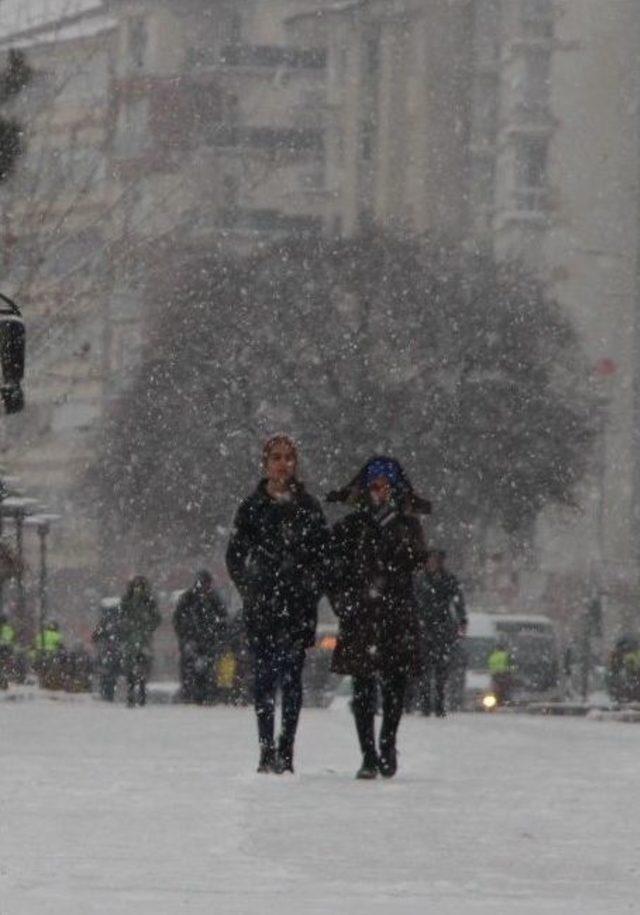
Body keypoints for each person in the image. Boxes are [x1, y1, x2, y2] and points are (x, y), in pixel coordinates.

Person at [226, 434, 329, 774]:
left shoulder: (308, 508)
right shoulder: (252, 508)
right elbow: (236, 556)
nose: (283, 464)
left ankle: (287, 748)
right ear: (265, 463)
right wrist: (251, 588)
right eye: (276, 457)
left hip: (297, 608)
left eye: (288, 457)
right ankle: (265, 748)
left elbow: (322, 558)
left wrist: (309, 588)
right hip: (263, 608)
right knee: (264, 680)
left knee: (292, 678)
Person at [327, 456, 429, 779]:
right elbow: (334, 570)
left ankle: (387, 741)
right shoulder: (352, 527)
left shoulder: (408, 525)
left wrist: (395, 531)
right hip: (362, 617)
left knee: (396, 686)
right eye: (374, 486)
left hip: (396, 615)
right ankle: (368, 754)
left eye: (386, 486)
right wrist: (344, 603)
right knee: (363, 688)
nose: (380, 492)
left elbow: (414, 561)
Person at [413, 549, 467, 717]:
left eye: (435, 560)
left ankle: (439, 703)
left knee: (441, 668)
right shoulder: (419, 580)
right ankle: (425, 703)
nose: (432, 564)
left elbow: (458, 601)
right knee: (424, 667)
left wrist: (462, 619)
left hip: (442, 627)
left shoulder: (448, 580)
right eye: (430, 560)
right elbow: (412, 601)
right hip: (424, 627)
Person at [173, 570, 227, 704]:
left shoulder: (213, 599)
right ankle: (192, 693)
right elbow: (178, 620)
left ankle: (206, 694)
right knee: (191, 668)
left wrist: (217, 635)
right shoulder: (188, 598)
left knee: (208, 669)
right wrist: (185, 636)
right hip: (194, 639)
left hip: (208, 640)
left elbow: (223, 620)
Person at [118, 576, 161, 707]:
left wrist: (147, 626)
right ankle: (132, 692)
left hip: (143, 638)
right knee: (130, 665)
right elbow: (121, 617)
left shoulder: (148, 601)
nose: (138, 589)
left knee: (142, 664)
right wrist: (127, 626)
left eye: (140, 586)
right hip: (132, 638)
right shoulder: (127, 601)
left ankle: (141, 691)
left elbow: (156, 619)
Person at [92, 601, 123, 701]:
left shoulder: (104, 623)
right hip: (115, 653)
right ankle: (109, 693)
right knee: (111, 675)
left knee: (106, 674)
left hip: (107, 653)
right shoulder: (119, 622)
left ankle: (106, 693)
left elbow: (95, 637)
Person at [488, 641, 514, 706]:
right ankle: (506, 700)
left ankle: (495, 699)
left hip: (495, 675)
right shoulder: (506, 655)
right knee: (506, 688)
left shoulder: (493, 656)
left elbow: (490, 665)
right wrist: (511, 672)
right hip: (504, 674)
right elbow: (511, 665)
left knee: (495, 689)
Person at [0, 612, 16, 689]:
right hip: (7, 651)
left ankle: (3, 680)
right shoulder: (9, 629)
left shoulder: (3, 628)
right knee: (5, 666)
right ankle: (4, 680)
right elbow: (13, 640)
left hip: (2, 649)